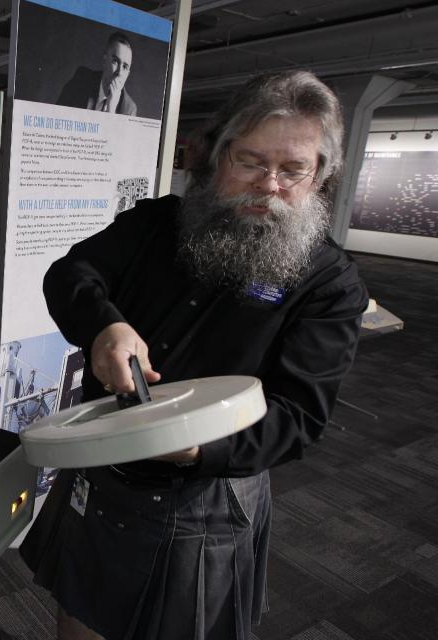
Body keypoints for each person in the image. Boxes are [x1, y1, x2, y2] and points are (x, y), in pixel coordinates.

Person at [21, 70, 368, 640]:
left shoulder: (330, 283)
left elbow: (299, 418)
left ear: (320, 177)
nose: (269, 185)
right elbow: (71, 275)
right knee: (78, 611)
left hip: (204, 494)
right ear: (216, 155)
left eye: (293, 170)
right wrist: (105, 325)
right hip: (103, 464)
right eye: (251, 162)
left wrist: (195, 446)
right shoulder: (158, 223)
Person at [57, 32, 137, 116]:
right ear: (104, 61)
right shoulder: (82, 78)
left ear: (127, 75)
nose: (119, 72)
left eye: (125, 67)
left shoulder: (129, 109)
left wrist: (111, 110)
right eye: (115, 61)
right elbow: (57, 115)